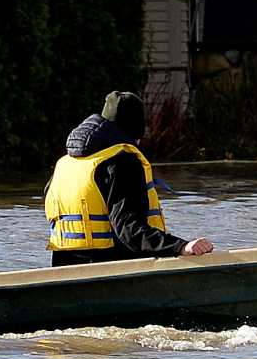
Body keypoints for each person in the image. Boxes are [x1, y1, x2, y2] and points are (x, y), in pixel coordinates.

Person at [44, 90, 216, 265]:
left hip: (62, 267)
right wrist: (181, 247)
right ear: (136, 131)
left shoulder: (64, 163)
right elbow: (129, 230)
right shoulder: (123, 162)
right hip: (105, 269)